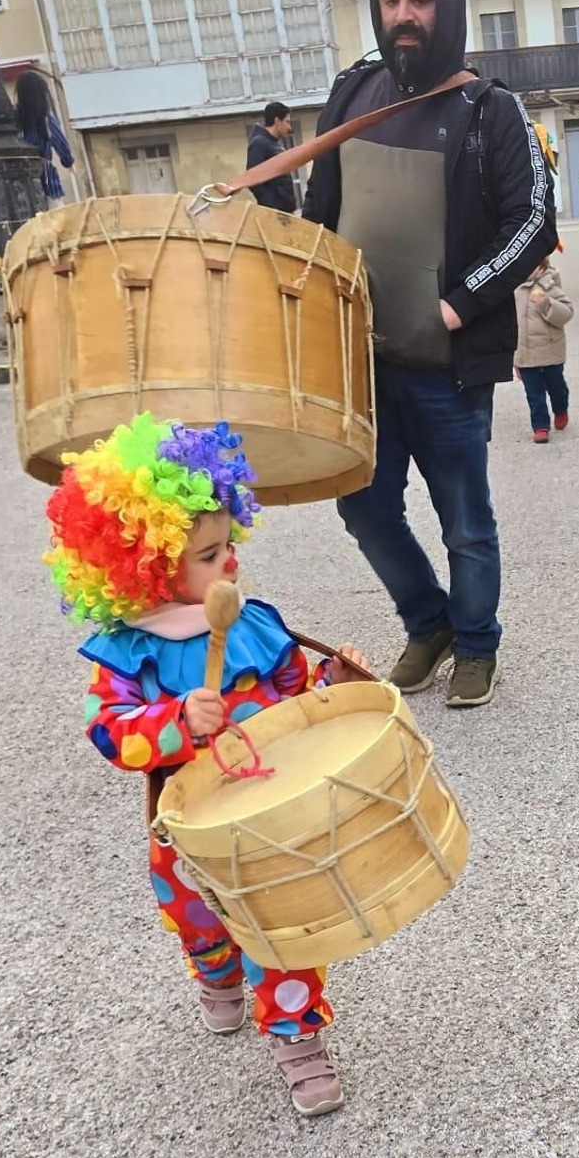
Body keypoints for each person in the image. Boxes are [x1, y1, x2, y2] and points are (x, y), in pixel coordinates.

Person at [44, 414, 371, 1116]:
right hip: (187, 829)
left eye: (229, 544)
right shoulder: (128, 651)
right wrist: (173, 722)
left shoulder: (254, 623)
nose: (230, 563)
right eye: (208, 554)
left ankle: (296, 1034)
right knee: (203, 922)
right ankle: (216, 974)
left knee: (276, 929)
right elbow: (108, 733)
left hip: (267, 816)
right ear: (149, 564)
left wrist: (330, 682)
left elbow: (292, 706)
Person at [301, 0, 555, 711]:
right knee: (364, 506)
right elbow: (319, 211)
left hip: (448, 361)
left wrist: (459, 302)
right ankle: (429, 621)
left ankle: (476, 642)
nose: (404, 16)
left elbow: (533, 219)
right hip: (362, 360)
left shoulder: (493, 109)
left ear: (446, 3)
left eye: (419, 0)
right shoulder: (350, 94)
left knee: (464, 518)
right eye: (390, 1)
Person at [514, 255, 573, 442]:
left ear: (541, 266)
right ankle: (540, 426)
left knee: (557, 387)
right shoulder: (513, 289)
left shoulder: (550, 286)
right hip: (524, 354)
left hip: (550, 351)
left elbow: (566, 313)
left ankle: (560, 408)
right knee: (534, 394)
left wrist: (547, 304)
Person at [14, 69, 74, 201]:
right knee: (54, 217)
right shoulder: (45, 120)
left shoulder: (15, 120)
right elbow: (61, 143)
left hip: (22, 180)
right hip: (46, 178)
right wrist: (68, 161)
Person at [245, 101, 298, 214]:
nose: (289, 127)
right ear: (277, 121)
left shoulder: (274, 143)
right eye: (287, 122)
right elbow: (252, 179)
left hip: (285, 212)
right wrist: (273, 207)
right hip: (274, 215)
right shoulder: (259, 144)